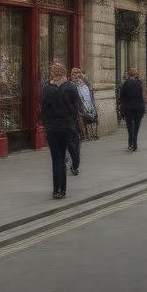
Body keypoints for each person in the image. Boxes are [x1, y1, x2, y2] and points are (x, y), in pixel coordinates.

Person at [41, 63, 81, 199]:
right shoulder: (71, 87)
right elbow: (76, 106)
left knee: (56, 158)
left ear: (52, 73)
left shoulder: (47, 88)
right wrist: (72, 121)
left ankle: (55, 189)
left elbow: (43, 110)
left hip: (52, 128)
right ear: (64, 72)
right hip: (66, 126)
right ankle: (62, 190)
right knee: (62, 157)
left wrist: (46, 123)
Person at [119, 68, 146, 152]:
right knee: (137, 126)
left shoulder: (125, 84)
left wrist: (122, 106)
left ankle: (131, 144)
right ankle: (135, 144)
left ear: (128, 74)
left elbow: (121, 96)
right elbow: (143, 96)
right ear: (136, 74)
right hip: (139, 107)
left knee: (130, 126)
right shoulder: (140, 83)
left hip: (129, 108)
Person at [71, 68, 99, 140]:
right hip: (84, 104)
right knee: (86, 119)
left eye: (76, 73)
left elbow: (89, 91)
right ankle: (88, 135)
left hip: (86, 103)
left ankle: (90, 135)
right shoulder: (76, 83)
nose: (75, 76)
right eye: (74, 73)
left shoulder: (80, 82)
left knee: (87, 119)